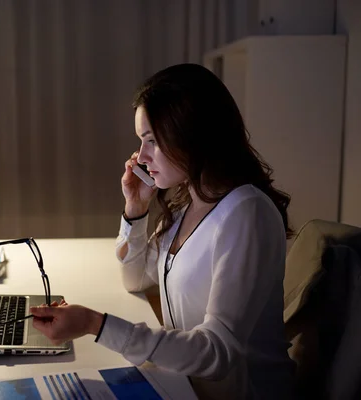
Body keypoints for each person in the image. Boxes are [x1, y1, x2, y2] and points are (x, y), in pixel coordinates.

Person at [30, 63, 296, 399]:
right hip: (185, 384)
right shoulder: (191, 204)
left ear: (191, 134)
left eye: (152, 140)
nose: (141, 156)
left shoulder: (246, 213)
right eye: (142, 142)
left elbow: (217, 353)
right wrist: (136, 208)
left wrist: (93, 324)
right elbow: (136, 279)